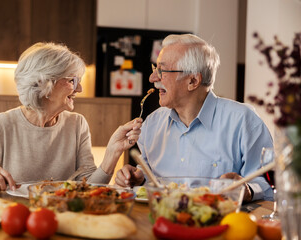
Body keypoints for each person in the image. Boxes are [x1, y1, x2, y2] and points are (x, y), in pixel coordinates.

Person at [0, 42, 142, 195]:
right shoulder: (1, 125)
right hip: (14, 221)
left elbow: (88, 188)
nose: (80, 89)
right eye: (72, 81)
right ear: (45, 84)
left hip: (60, 220)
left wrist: (112, 153)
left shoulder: (77, 124)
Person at [115, 34, 274, 202]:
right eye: (155, 69)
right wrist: (138, 178)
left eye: (162, 71)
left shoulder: (244, 121)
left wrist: (247, 190)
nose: (152, 78)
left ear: (193, 80)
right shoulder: (151, 124)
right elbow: (148, 177)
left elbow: (267, 186)